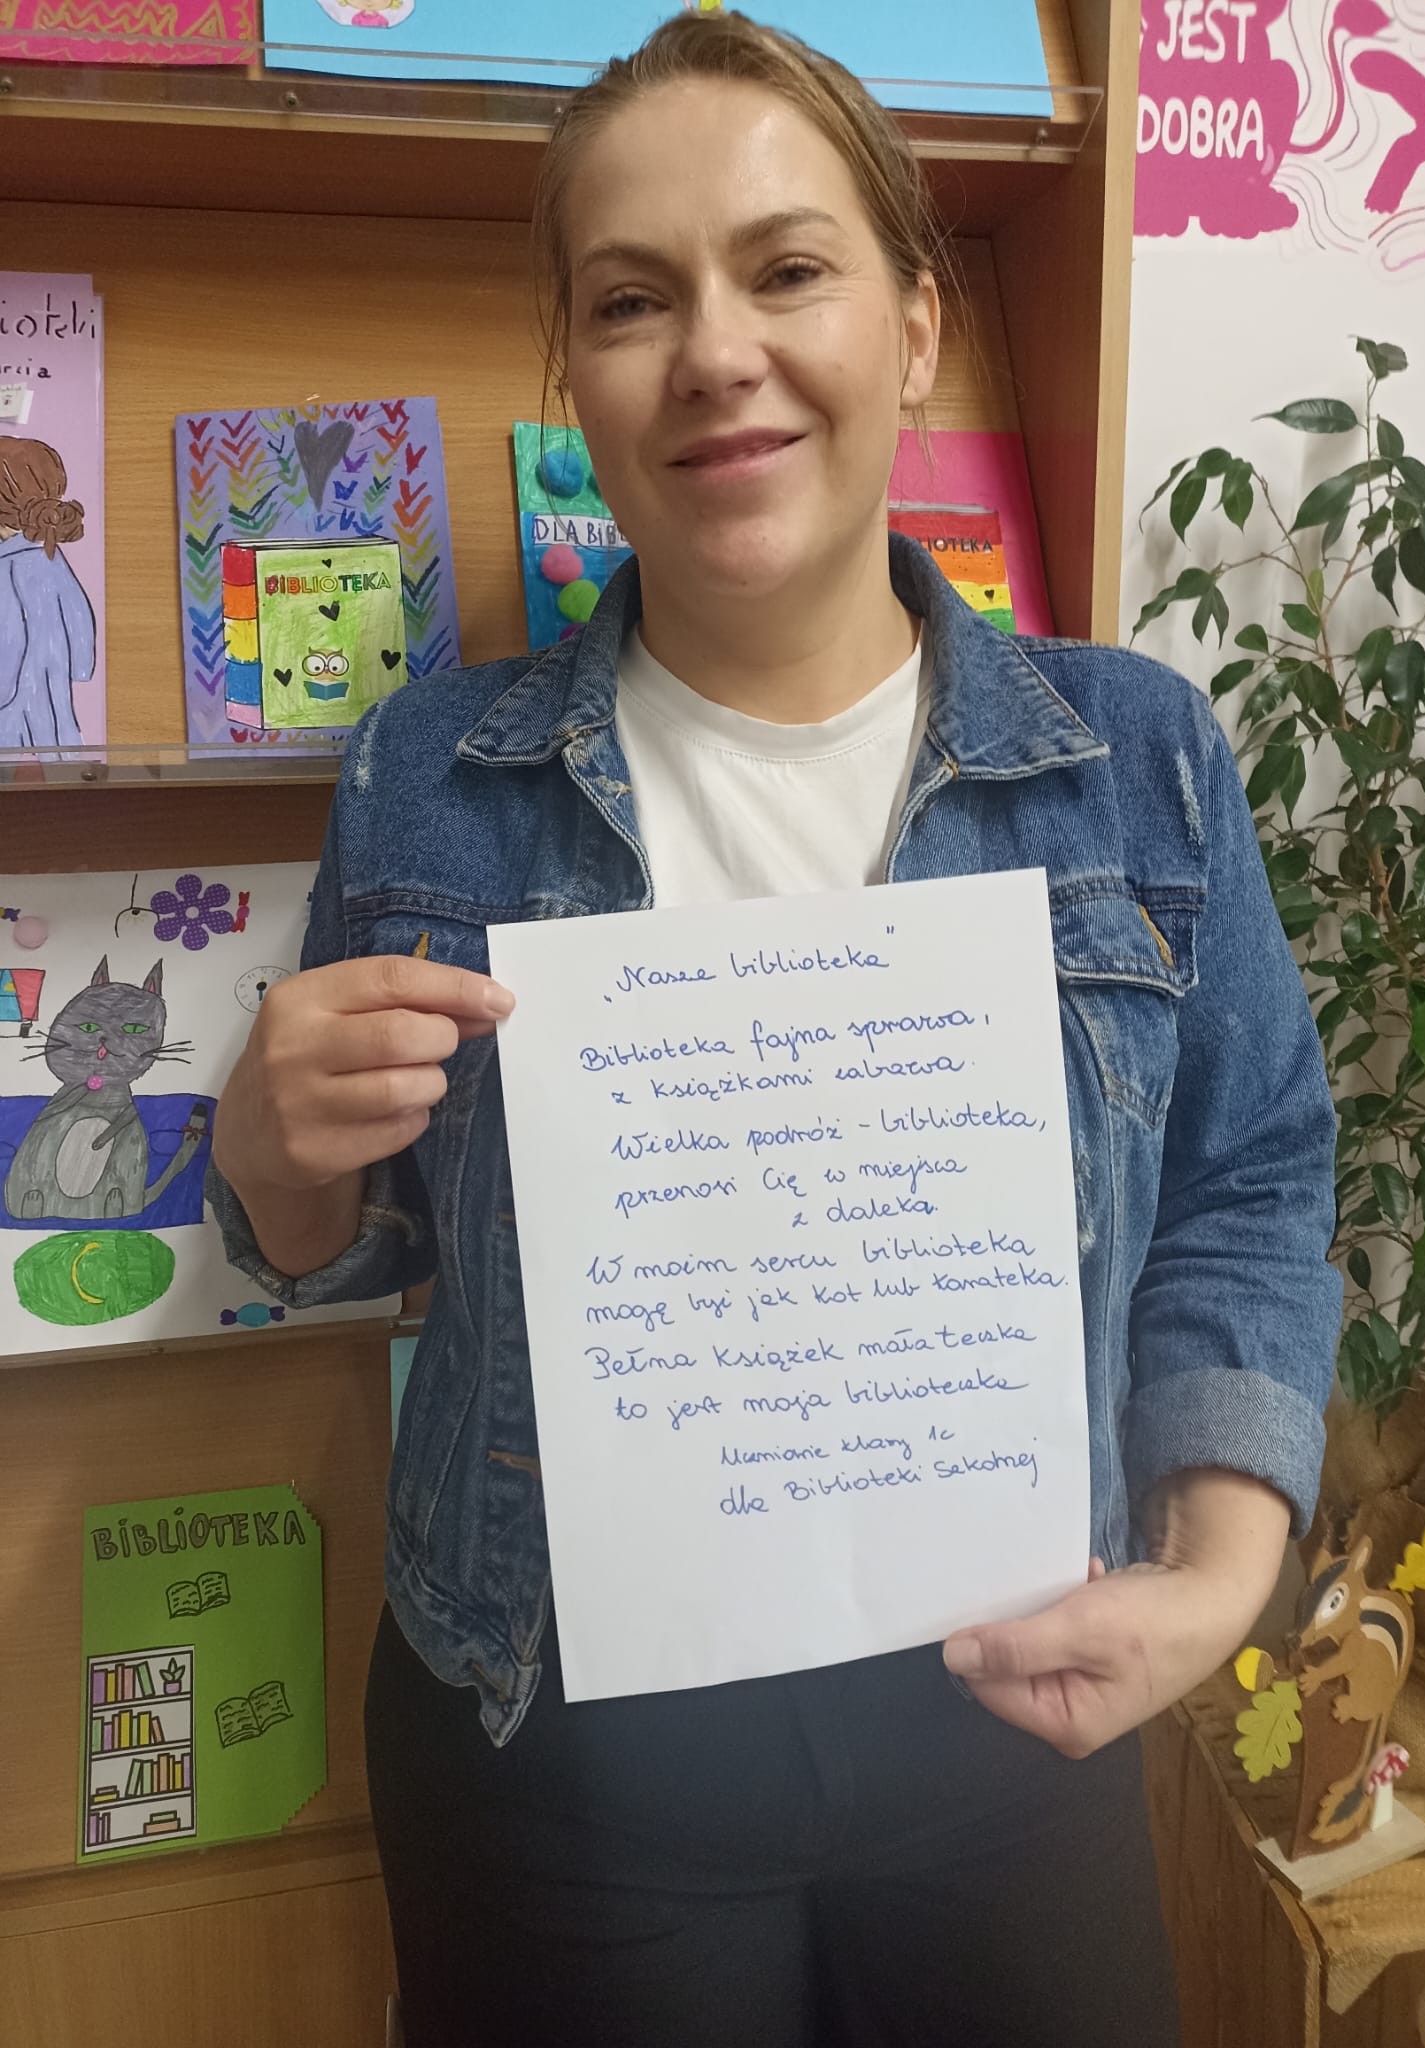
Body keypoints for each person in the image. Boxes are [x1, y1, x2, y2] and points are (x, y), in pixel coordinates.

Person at [207, 13, 1342, 2043]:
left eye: (787, 268)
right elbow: (351, 1243)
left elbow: (1246, 1182)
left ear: (913, 327)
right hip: (549, 1739)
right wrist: (268, 1154)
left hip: (1016, 1722)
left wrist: (1216, 1568)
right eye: (632, 298)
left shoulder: (1137, 760)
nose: (714, 350)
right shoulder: (428, 778)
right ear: (575, 378)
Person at [0, 435, 95, 750]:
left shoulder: (6, 571)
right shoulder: (51, 559)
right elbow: (83, 653)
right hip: (56, 724)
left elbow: (5, 667)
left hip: (12, 731)